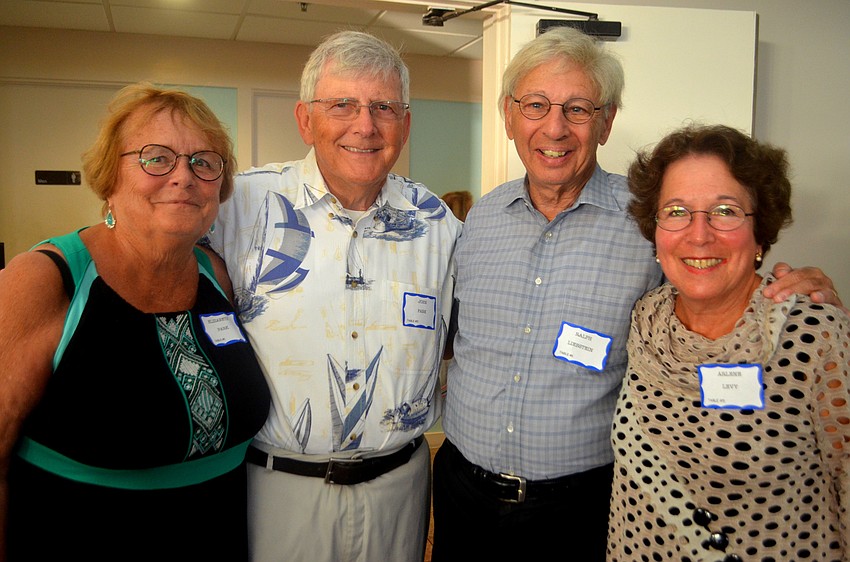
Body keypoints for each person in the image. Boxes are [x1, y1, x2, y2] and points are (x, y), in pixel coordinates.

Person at [431, 27, 842, 562]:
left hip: (583, 507)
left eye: (578, 109)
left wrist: (798, 289)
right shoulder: (481, 218)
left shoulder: (651, 224)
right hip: (463, 493)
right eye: (535, 105)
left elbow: (718, 290)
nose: (555, 127)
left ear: (606, 122)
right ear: (509, 116)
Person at [206, 31, 462, 562]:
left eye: (384, 107)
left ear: (406, 124)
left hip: (401, 490)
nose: (365, 125)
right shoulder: (240, 207)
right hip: (279, 493)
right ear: (305, 120)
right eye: (342, 104)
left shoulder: (439, 225)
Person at [0, 83, 271, 560]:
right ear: (109, 178)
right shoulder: (44, 279)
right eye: (156, 158)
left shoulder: (217, 274)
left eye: (203, 162)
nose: (184, 176)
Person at [607, 123, 848, 561]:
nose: (699, 234)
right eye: (676, 211)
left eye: (725, 210)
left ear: (760, 233)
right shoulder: (647, 319)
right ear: (655, 229)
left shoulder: (814, 334)